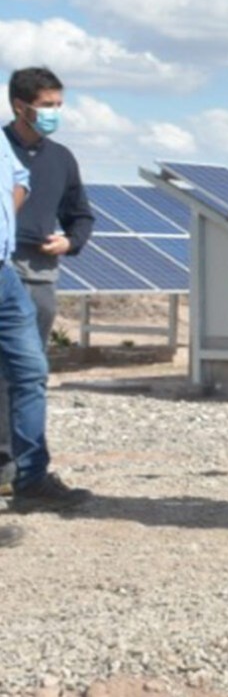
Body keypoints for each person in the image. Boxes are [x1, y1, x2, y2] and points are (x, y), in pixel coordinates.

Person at [0, 66, 93, 490]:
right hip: (7, 264)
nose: (55, 112)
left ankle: (24, 469)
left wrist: (70, 242)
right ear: (21, 106)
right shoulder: (3, 148)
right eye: (46, 105)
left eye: (59, 105)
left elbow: (81, 214)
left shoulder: (61, 158)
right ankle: (8, 465)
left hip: (39, 274)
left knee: (27, 369)